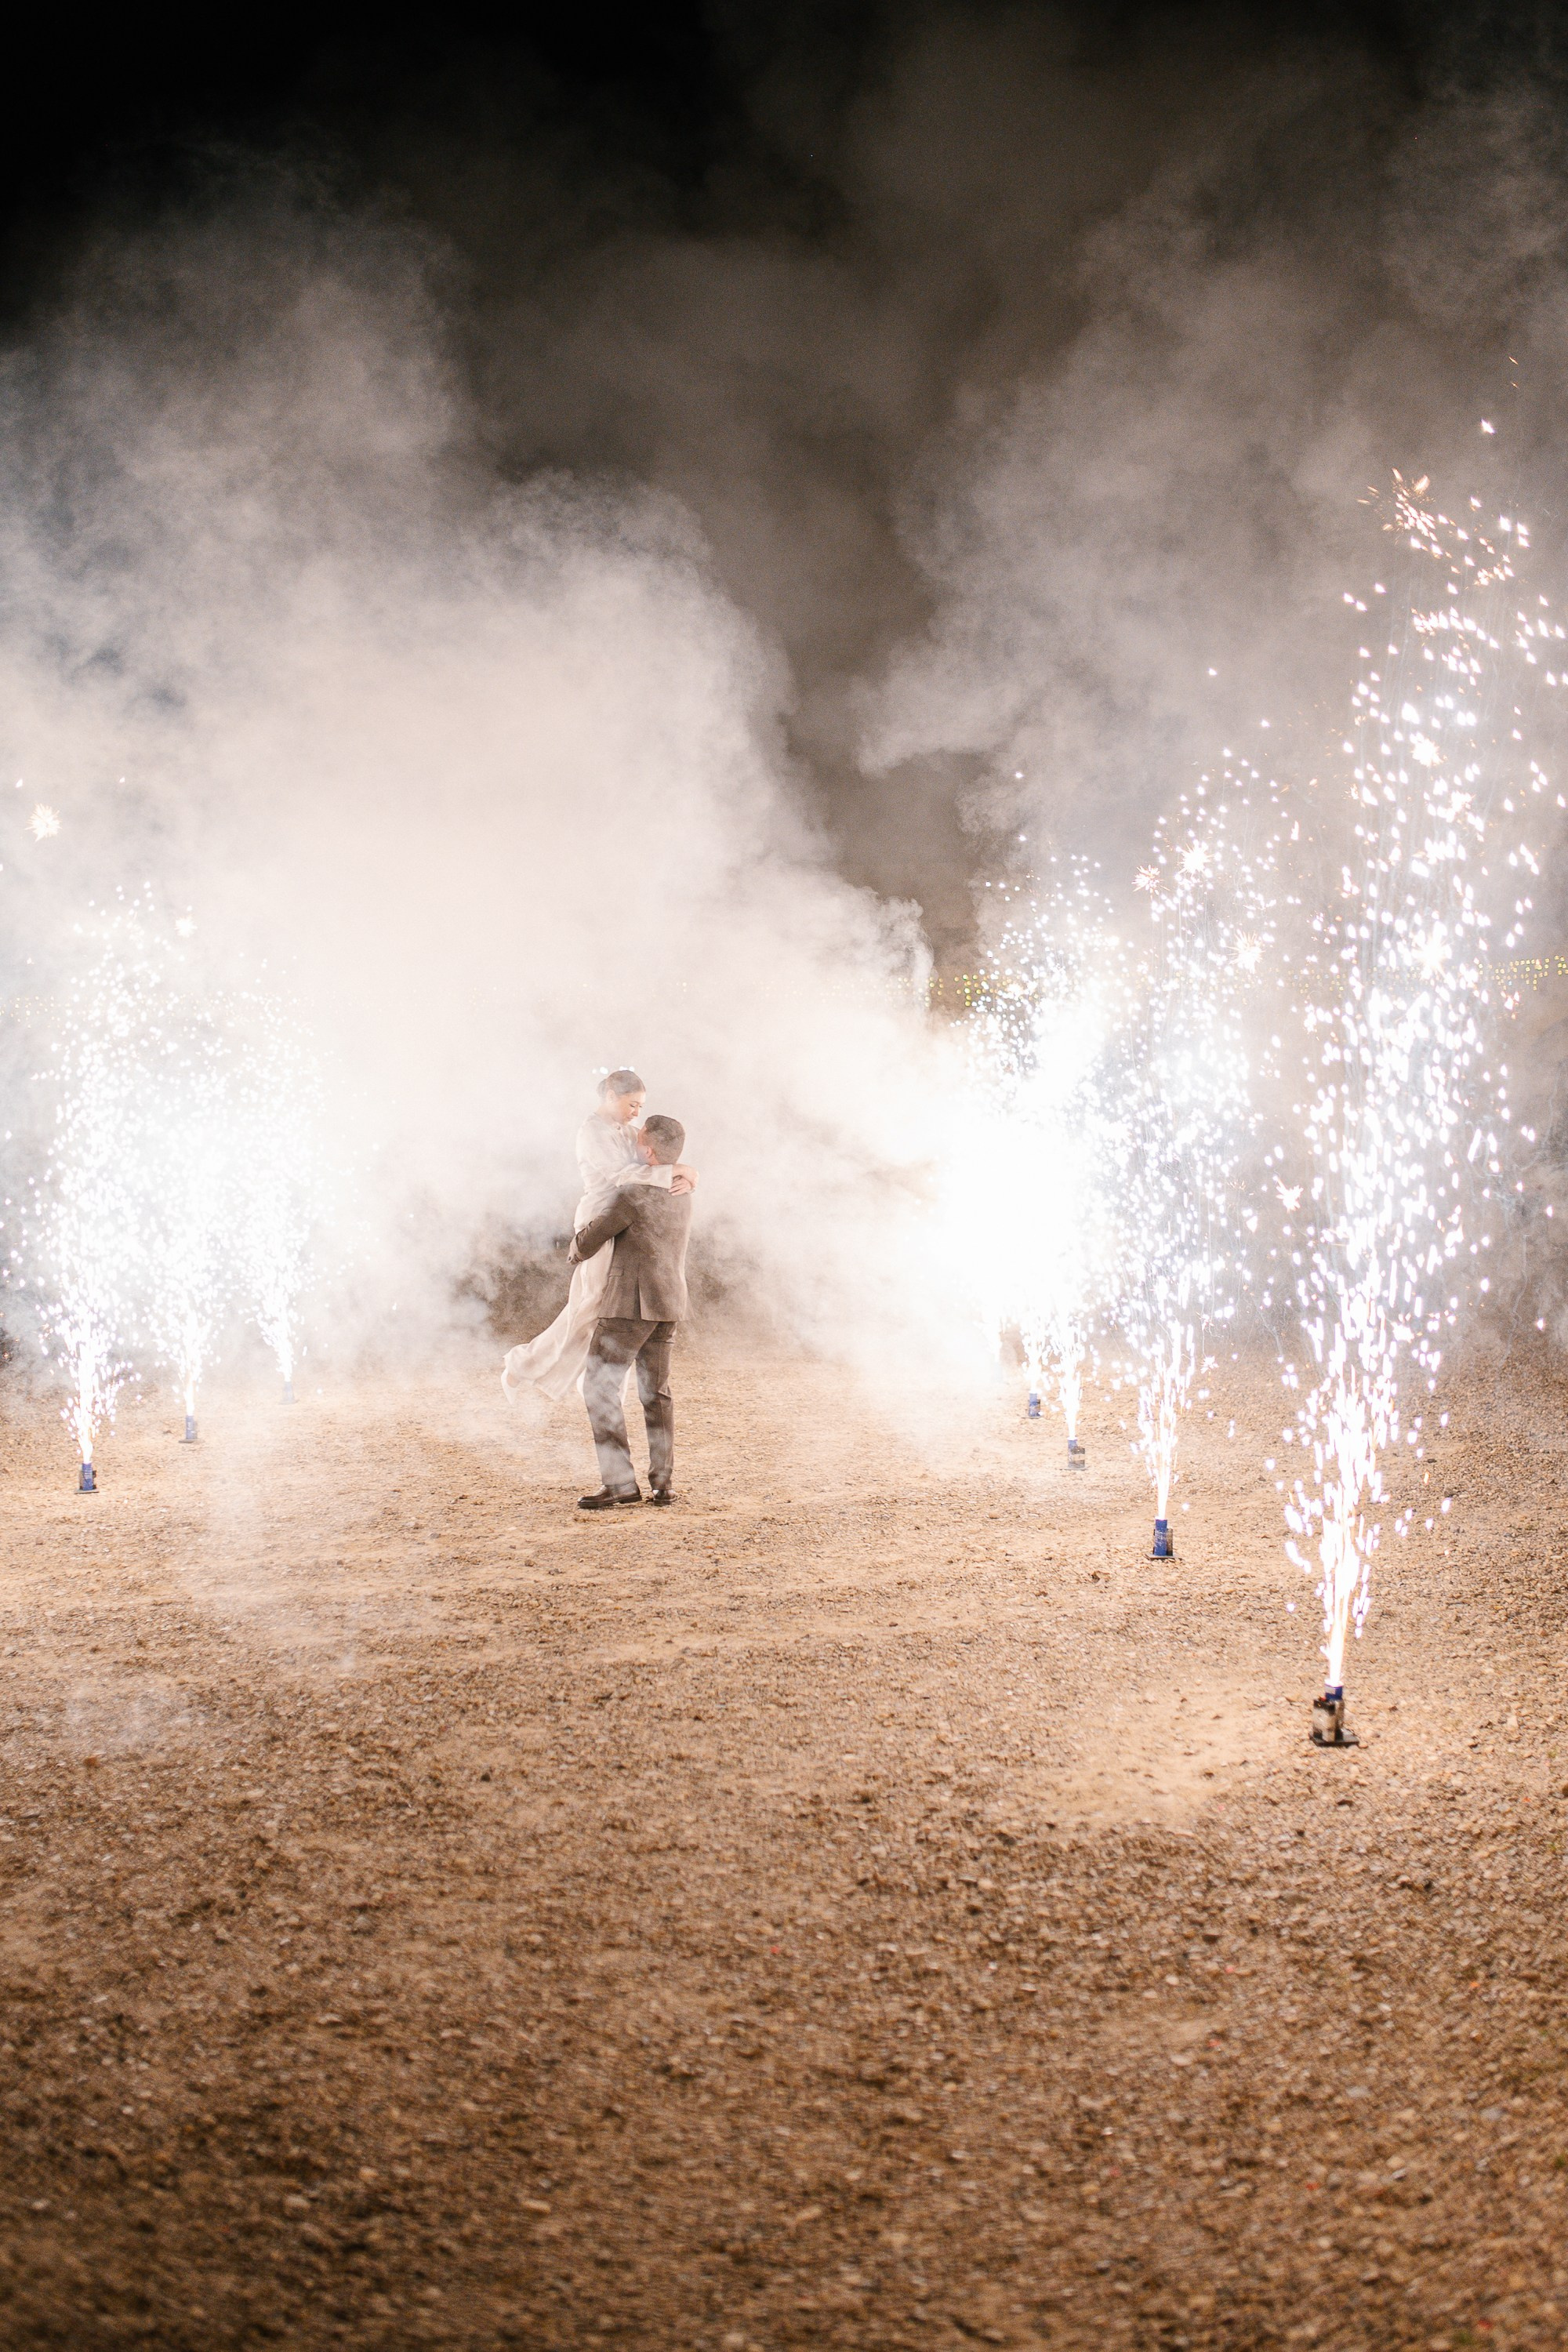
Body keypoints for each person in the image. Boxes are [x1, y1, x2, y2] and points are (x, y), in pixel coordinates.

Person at [501, 1071, 695, 1403]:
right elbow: (621, 1176)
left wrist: (689, 1173)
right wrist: (674, 1172)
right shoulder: (592, 1132)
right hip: (601, 1224)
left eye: (641, 1106)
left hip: (628, 1223)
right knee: (587, 1308)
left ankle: (605, 1387)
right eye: (633, 1104)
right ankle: (522, 1366)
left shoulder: (627, 1130)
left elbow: (654, 1151)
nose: (637, 1112)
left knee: (617, 1311)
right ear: (610, 1095)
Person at [570, 1112, 692, 1509]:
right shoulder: (683, 1191)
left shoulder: (633, 1193)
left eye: (639, 1140)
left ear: (650, 1151)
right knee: (656, 1393)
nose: (634, 1145)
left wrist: (574, 1247)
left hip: (629, 1304)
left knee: (598, 1387)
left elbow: (593, 1237)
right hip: (669, 1301)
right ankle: (663, 1484)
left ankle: (621, 1483)